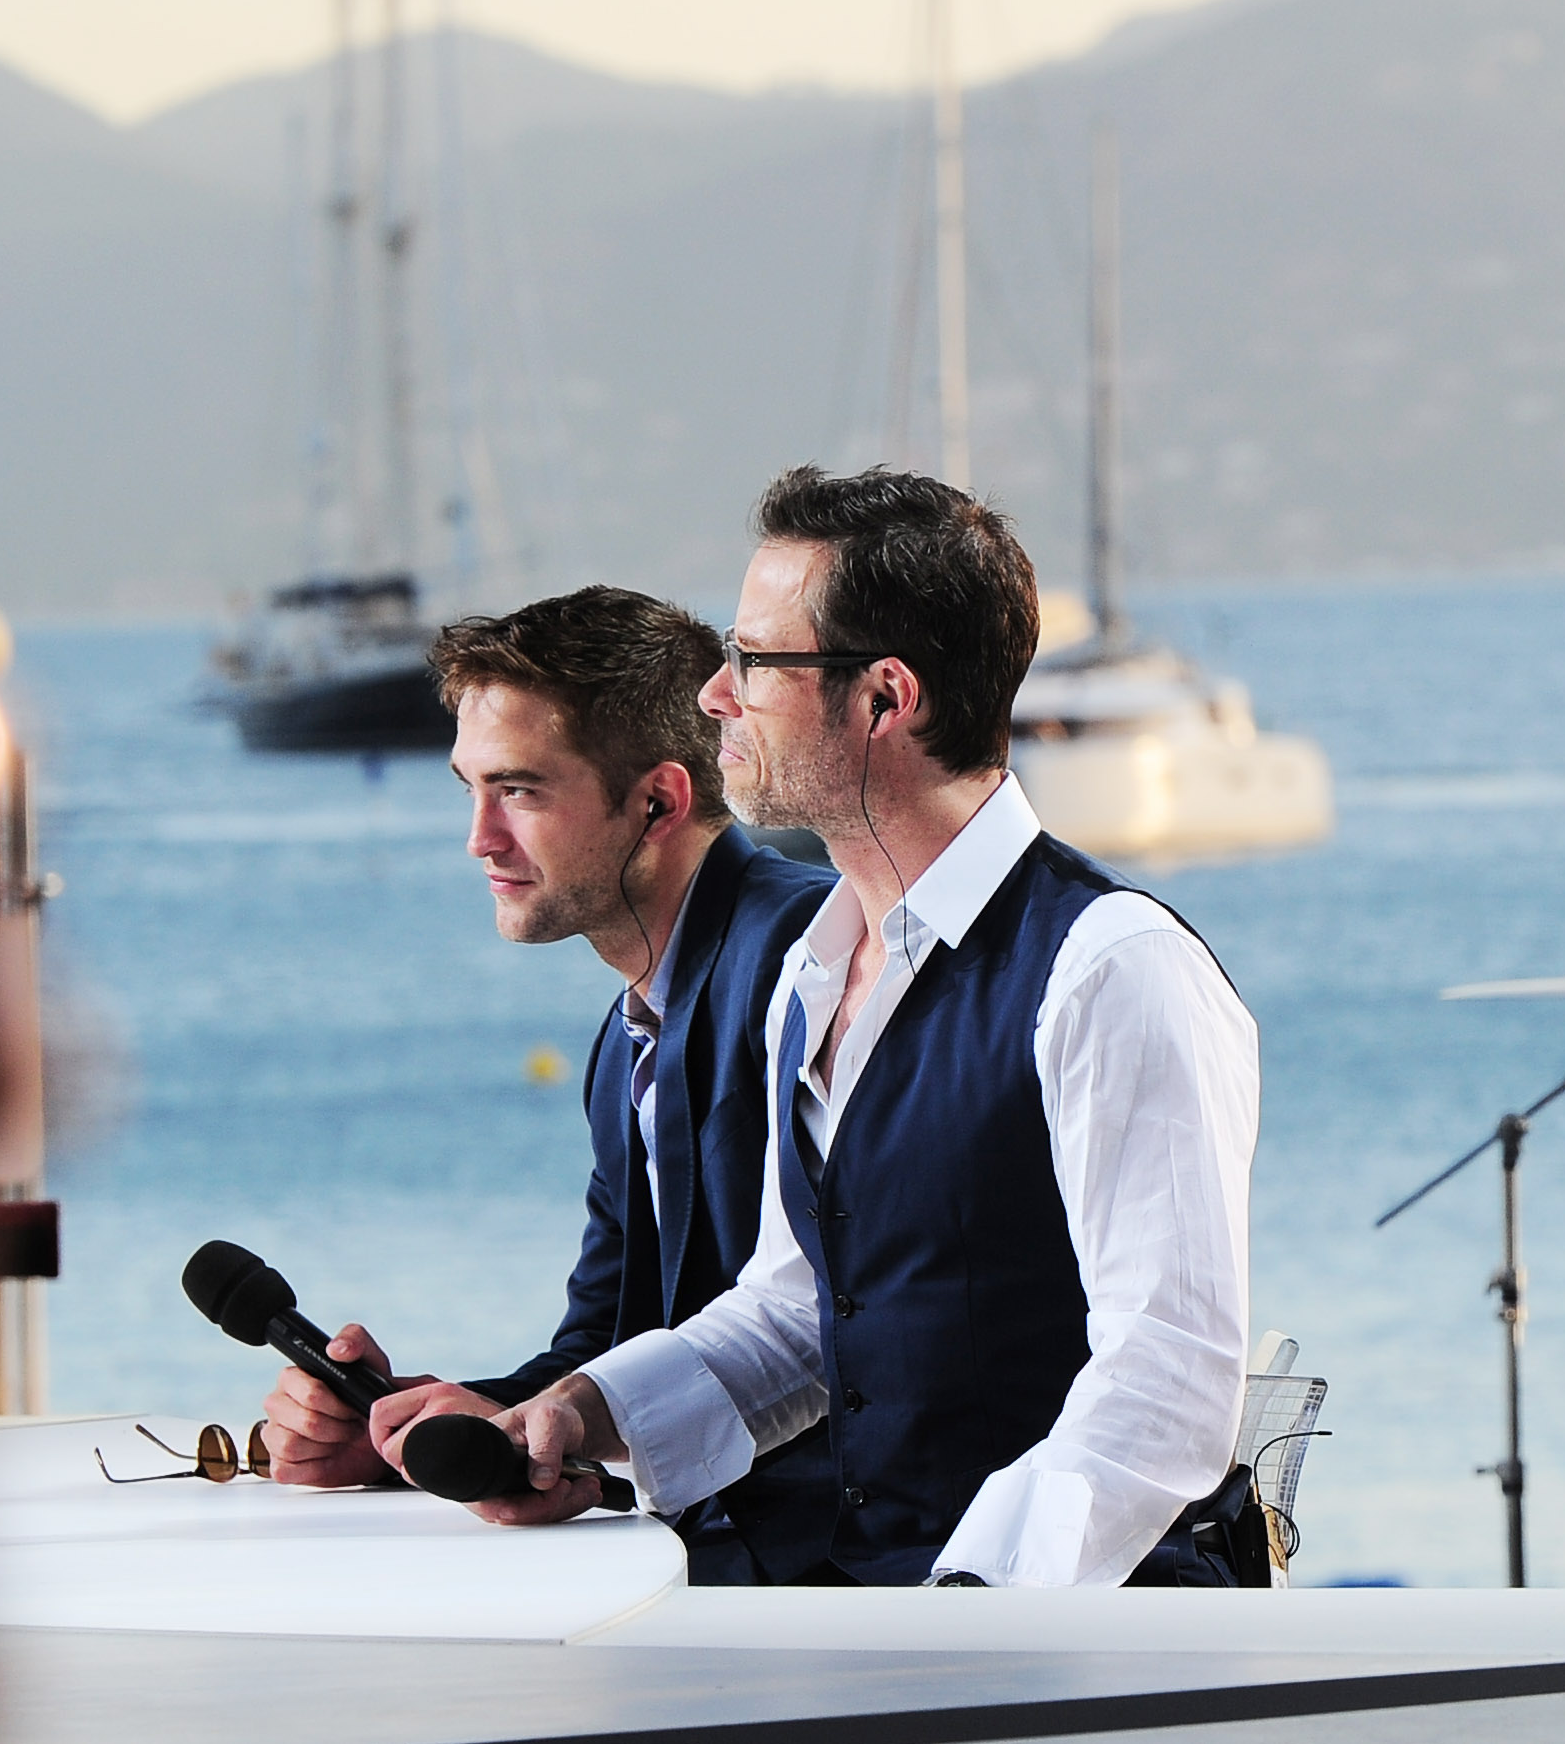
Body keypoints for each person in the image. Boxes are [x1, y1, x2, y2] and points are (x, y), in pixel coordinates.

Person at [377, 467, 1260, 1589]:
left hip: (1066, 1641)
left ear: (884, 698)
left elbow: (1168, 1380)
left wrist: (975, 1606)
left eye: (754, 661)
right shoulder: (815, 969)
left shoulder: (1108, 970)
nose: (715, 696)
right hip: (879, 1624)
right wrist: (580, 1416)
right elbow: (799, 1313)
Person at [259, 586, 835, 1583]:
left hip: (870, 1590)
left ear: (658, 802)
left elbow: (842, 1343)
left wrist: (583, 1458)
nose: (479, 838)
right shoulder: (627, 1041)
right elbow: (606, 1345)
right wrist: (419, 1431)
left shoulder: (810, 964)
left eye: (518, 791)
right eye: (470, 789)